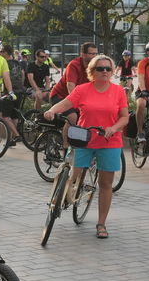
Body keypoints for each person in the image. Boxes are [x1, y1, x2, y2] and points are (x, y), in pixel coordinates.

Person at [43, 54, 128, 239]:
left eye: (108, 68)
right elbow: (66, 103)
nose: (104, 71)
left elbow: (124, 117)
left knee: (106, 184)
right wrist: (51, 111)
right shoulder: (83, 89)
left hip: (109, 141)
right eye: (100, 68)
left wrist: (113, 129)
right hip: (85, 138)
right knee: (75, 174)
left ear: (112, 71)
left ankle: (101, 224)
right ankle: (65, 195)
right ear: (92, 71)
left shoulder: (118, 91)